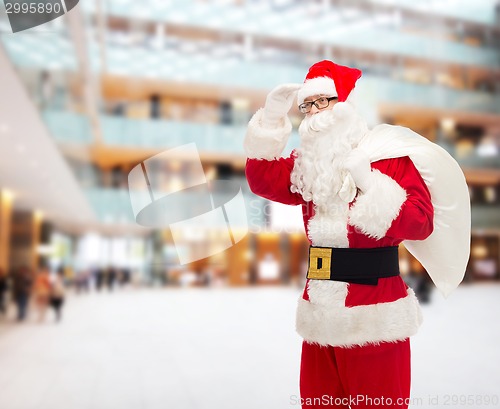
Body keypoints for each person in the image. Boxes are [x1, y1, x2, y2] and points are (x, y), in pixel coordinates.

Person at [244, 60, 470, 408]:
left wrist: (370, 184)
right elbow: (263, 179)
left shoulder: (389, 158)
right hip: (319, 315)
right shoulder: (309, 167)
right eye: (307, 105)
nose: (314, 113)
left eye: (323, 102)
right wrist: (272, 119)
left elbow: (421, 222)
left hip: (375, 319)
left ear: (345, 104)